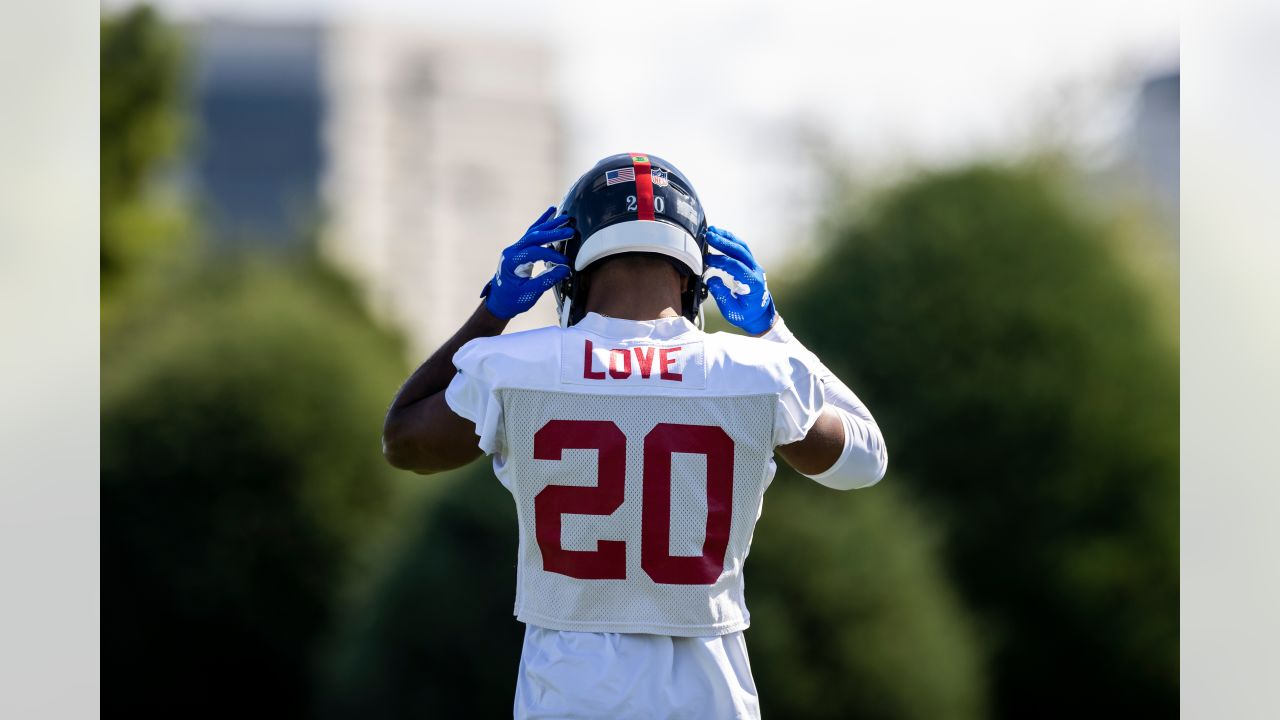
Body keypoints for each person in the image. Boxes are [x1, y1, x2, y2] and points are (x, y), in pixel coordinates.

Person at [382, 153, 888, 719]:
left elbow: (402, 440)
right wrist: (775, 329)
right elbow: (866, 459)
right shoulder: (756, 373)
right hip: (711, 699)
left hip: (569, 697)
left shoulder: (512, 366)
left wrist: (491, 313)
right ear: (695, 271)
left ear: (570, 266)